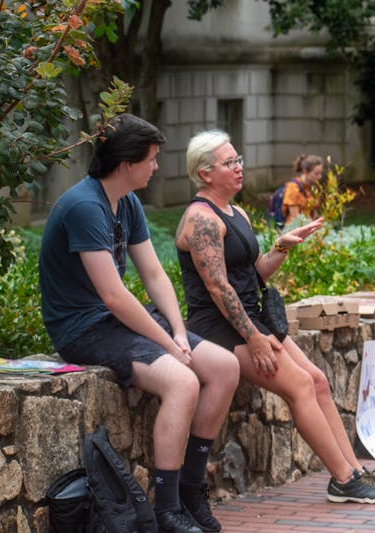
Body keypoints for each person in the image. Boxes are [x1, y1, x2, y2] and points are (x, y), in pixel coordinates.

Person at [175, 130, 375, 505]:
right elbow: (218, 289)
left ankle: (355, 472)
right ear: (204, 173)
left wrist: (282, 245)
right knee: (299, 386)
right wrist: (253, 338)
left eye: (239, 160)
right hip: (220, 328)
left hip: (251, 319)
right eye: (229, 163)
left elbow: (254, 276)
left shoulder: (237, 212)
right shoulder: (200, 219)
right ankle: (344, 479)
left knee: (317, 381)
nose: (238, 168)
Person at [39, 114, 239, 533]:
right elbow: (113, 295)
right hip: (84, 328)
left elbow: (152, 274)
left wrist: (178, 329)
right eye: (151, 159)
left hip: (117, 319)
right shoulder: (83, 206)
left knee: (224, 367)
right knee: (182, 382)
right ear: (128, 163)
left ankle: (190, 491)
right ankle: (167, 512)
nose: (156, 167)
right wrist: (167, 344)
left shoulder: (125, 202)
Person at [282, 154, 323, 225]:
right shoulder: (293, 188)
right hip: (294, 229)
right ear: (305, 172)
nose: (320, 177)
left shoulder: (312, 188)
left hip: (309, 226)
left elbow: (313, 213)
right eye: (316, 174)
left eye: (320, 173)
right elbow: (295, 218)